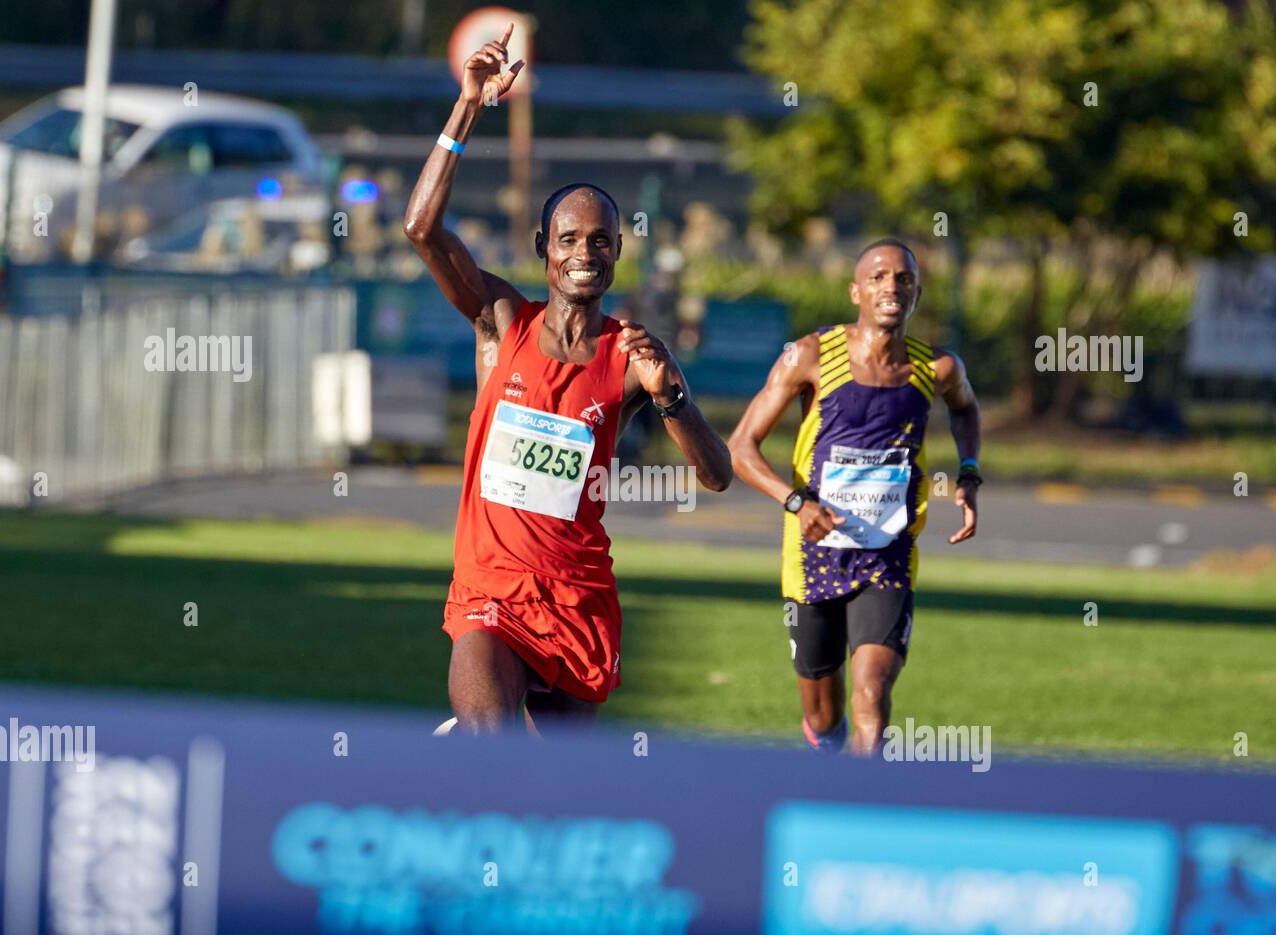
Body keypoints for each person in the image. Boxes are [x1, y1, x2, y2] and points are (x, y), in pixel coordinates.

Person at [403, 25, 731, 736]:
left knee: (561, 792)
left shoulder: (631, 355)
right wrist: (468, 108)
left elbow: (717, 474)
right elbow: (422, 228)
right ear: (544, 250)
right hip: (489, 590)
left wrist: (671, 394)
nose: (586, 253)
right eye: (570, 239)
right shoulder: (501, 323)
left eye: (602, 241)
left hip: (576, 601)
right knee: (496, 749)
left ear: (616, 254)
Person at [729, 239, 981, 755]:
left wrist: (970, 471)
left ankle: (862, 808)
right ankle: (830, 751)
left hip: (886, 557)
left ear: (916, 292)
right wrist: (796, 502)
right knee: (824, 718)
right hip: (812, 559)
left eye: (903, 279)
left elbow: (965, 409)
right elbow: (740, 448)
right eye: (878, 277)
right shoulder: (810, 356)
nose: (891, 287)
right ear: (855, 291)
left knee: (872, 692)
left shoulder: (937, 368)